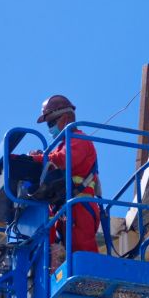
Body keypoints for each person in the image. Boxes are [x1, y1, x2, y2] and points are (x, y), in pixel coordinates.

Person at [30, 95, 101, 255]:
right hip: (64, 208)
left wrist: (38, 158)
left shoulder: (79, 139)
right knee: (62, 251)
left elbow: (62, 160)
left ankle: (91, 280)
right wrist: (37, 157)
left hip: (80, 205)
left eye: (51, 122)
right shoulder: (60, 145)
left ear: (66, 118)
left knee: (83, 251)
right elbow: (51, 161)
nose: (49, 127)